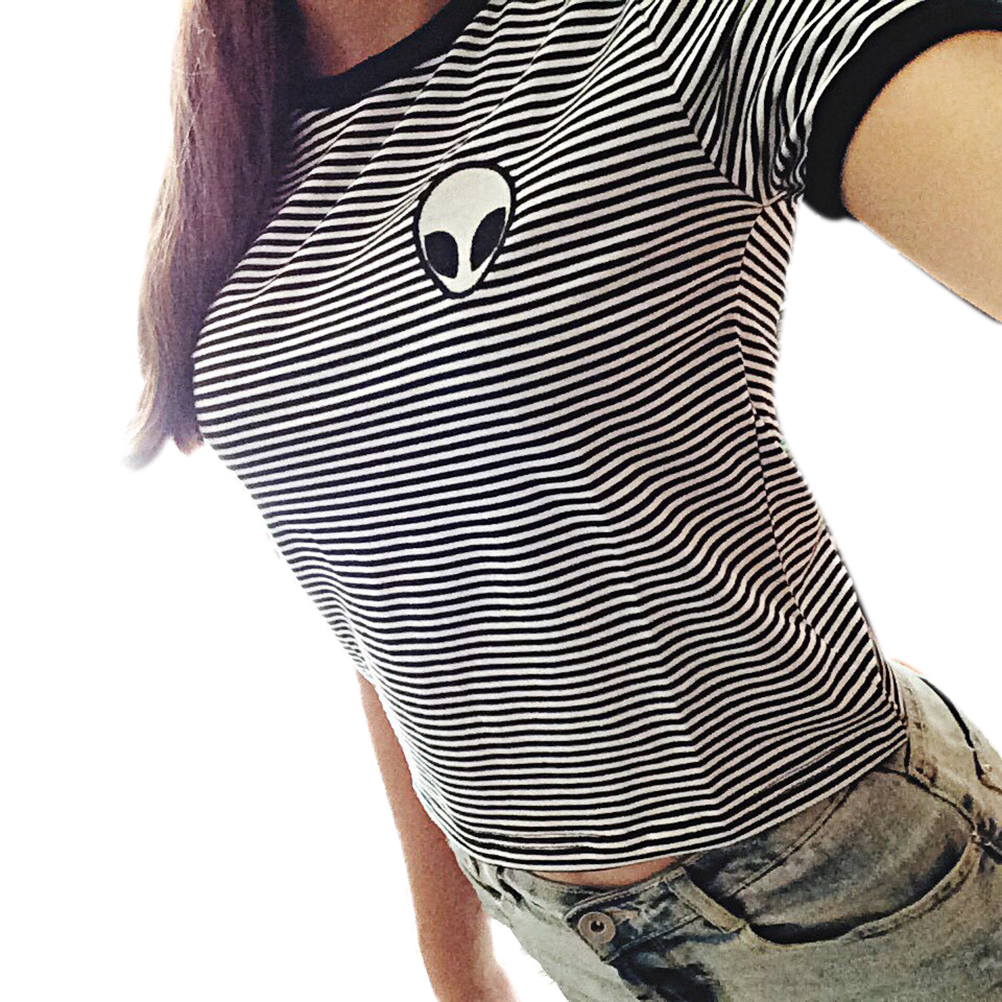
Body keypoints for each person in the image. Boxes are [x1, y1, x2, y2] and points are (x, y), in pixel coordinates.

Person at [125, 1, 1002, 998]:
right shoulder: (242, 148)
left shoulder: (658, 29)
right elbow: (378, 609)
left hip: (852, 892)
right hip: (558, 928)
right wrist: (455, 959)